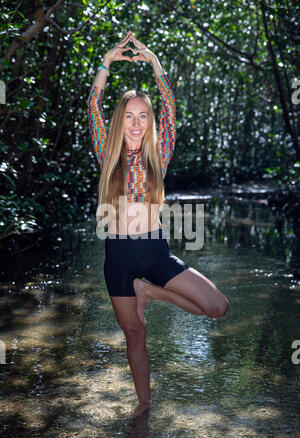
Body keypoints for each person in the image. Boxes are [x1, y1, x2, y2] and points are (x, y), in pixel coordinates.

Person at [88, 31, 229, 418]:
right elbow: (93, 104)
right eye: (129, 116)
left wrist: (154, 63)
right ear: (120, 121)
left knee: (215, 307)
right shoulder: (107, 153)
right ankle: (144, 411)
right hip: (117, 258)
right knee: (135, 335)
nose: (136, 123)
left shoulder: (160, 151)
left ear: (150, 122)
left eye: (143, 116)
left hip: (155, 253)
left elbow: (169, 102)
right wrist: (105, 62)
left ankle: (148, 292)